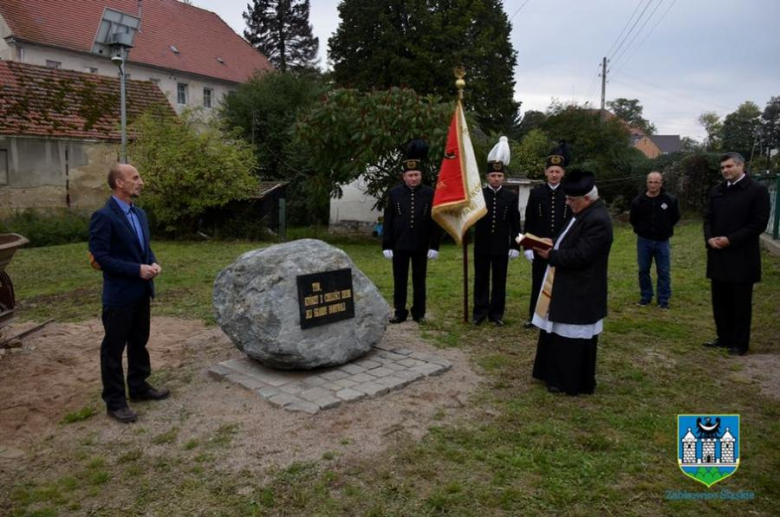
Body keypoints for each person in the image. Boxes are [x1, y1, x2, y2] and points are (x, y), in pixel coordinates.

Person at [89, 163, 169, 423]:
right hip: (120, 295)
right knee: (113, 349)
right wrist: (137, 270)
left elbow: (144, 248)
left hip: (141, 292)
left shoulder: (140, 214)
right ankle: (115, 402)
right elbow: (101, 257)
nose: (141, 182)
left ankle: (138, 386)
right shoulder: (104, 216)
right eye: (135, 178)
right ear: (119, 183)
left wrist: (152, 262)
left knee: (139, 341)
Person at [530, 169, 613, 395]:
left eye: (571, 199)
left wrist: (552, 255)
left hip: (581, 288)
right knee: (555, 332)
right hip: (567, 284)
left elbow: (583, 255)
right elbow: (568, 239)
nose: (567, 203)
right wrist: (552, 242)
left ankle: (567, 381)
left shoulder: (598, 220)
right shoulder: (583, 213)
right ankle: (551, 373)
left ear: (587, 198)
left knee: (570, 336)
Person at [702, 152, 770, 356]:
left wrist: (731, 239)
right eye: (723, 167)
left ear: (742, 166)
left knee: (740, 302)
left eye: (729, 166)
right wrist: (709, 238)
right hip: (718, 255)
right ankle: (723, 337)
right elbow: (708, 218)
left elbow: (758, 224)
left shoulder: (757, 190)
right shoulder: (717, 191)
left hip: (742, 256)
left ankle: (740, 342)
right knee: (720, 299)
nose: (725, 171)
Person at [382, 139, 442, 324]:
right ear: (404, 176)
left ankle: (419, 312)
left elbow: (435, 221)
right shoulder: (394, 193)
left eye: (416, 174)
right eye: (410, 175)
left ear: (421, 175)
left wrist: (434, 245)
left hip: (421, 245)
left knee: (419, 280)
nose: (414, 178)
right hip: (399, 244)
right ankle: (400, 311)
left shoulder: (430, 193)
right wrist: (387, 244)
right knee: (399, 280)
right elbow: (389, 220)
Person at [522, 142, 572, 329]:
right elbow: (529, 220)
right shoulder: (536, 193)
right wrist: (527, 246)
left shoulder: (568, 194)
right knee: (538, 281)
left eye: (558, 171)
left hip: (562, 246)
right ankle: (535, 316)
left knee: (560, 281)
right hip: (539, 245)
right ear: (546, 172)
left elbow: (571, 222)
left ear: (563, 174)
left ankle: (557, 315)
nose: (554, 175)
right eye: (551, 171)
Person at [473, 136, 520, 326]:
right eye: (493, 176)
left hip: (501, 245)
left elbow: (515, 223)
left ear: (504, 178)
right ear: (487, 177)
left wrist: (515, 245)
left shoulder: (510, 197)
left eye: (500, 176)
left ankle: (496, 314)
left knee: (499, 281)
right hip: (482, 245)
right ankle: (480, 312)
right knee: (481, 279)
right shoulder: (479, 195)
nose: (496, 178)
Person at [629, 171, 681, 309]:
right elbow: (633, 219)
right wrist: (642, 229)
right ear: (646, 183)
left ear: (661, 183)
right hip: (644, 241)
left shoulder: (670, 200)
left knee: (663, 271)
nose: (653, 185)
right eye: (650, 182)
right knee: (643, 270)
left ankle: (663, 299)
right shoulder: (638, 201)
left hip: (662, 241)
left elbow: (675, 217)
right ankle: (646, 296)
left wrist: (664, 228)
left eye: (656, 182)